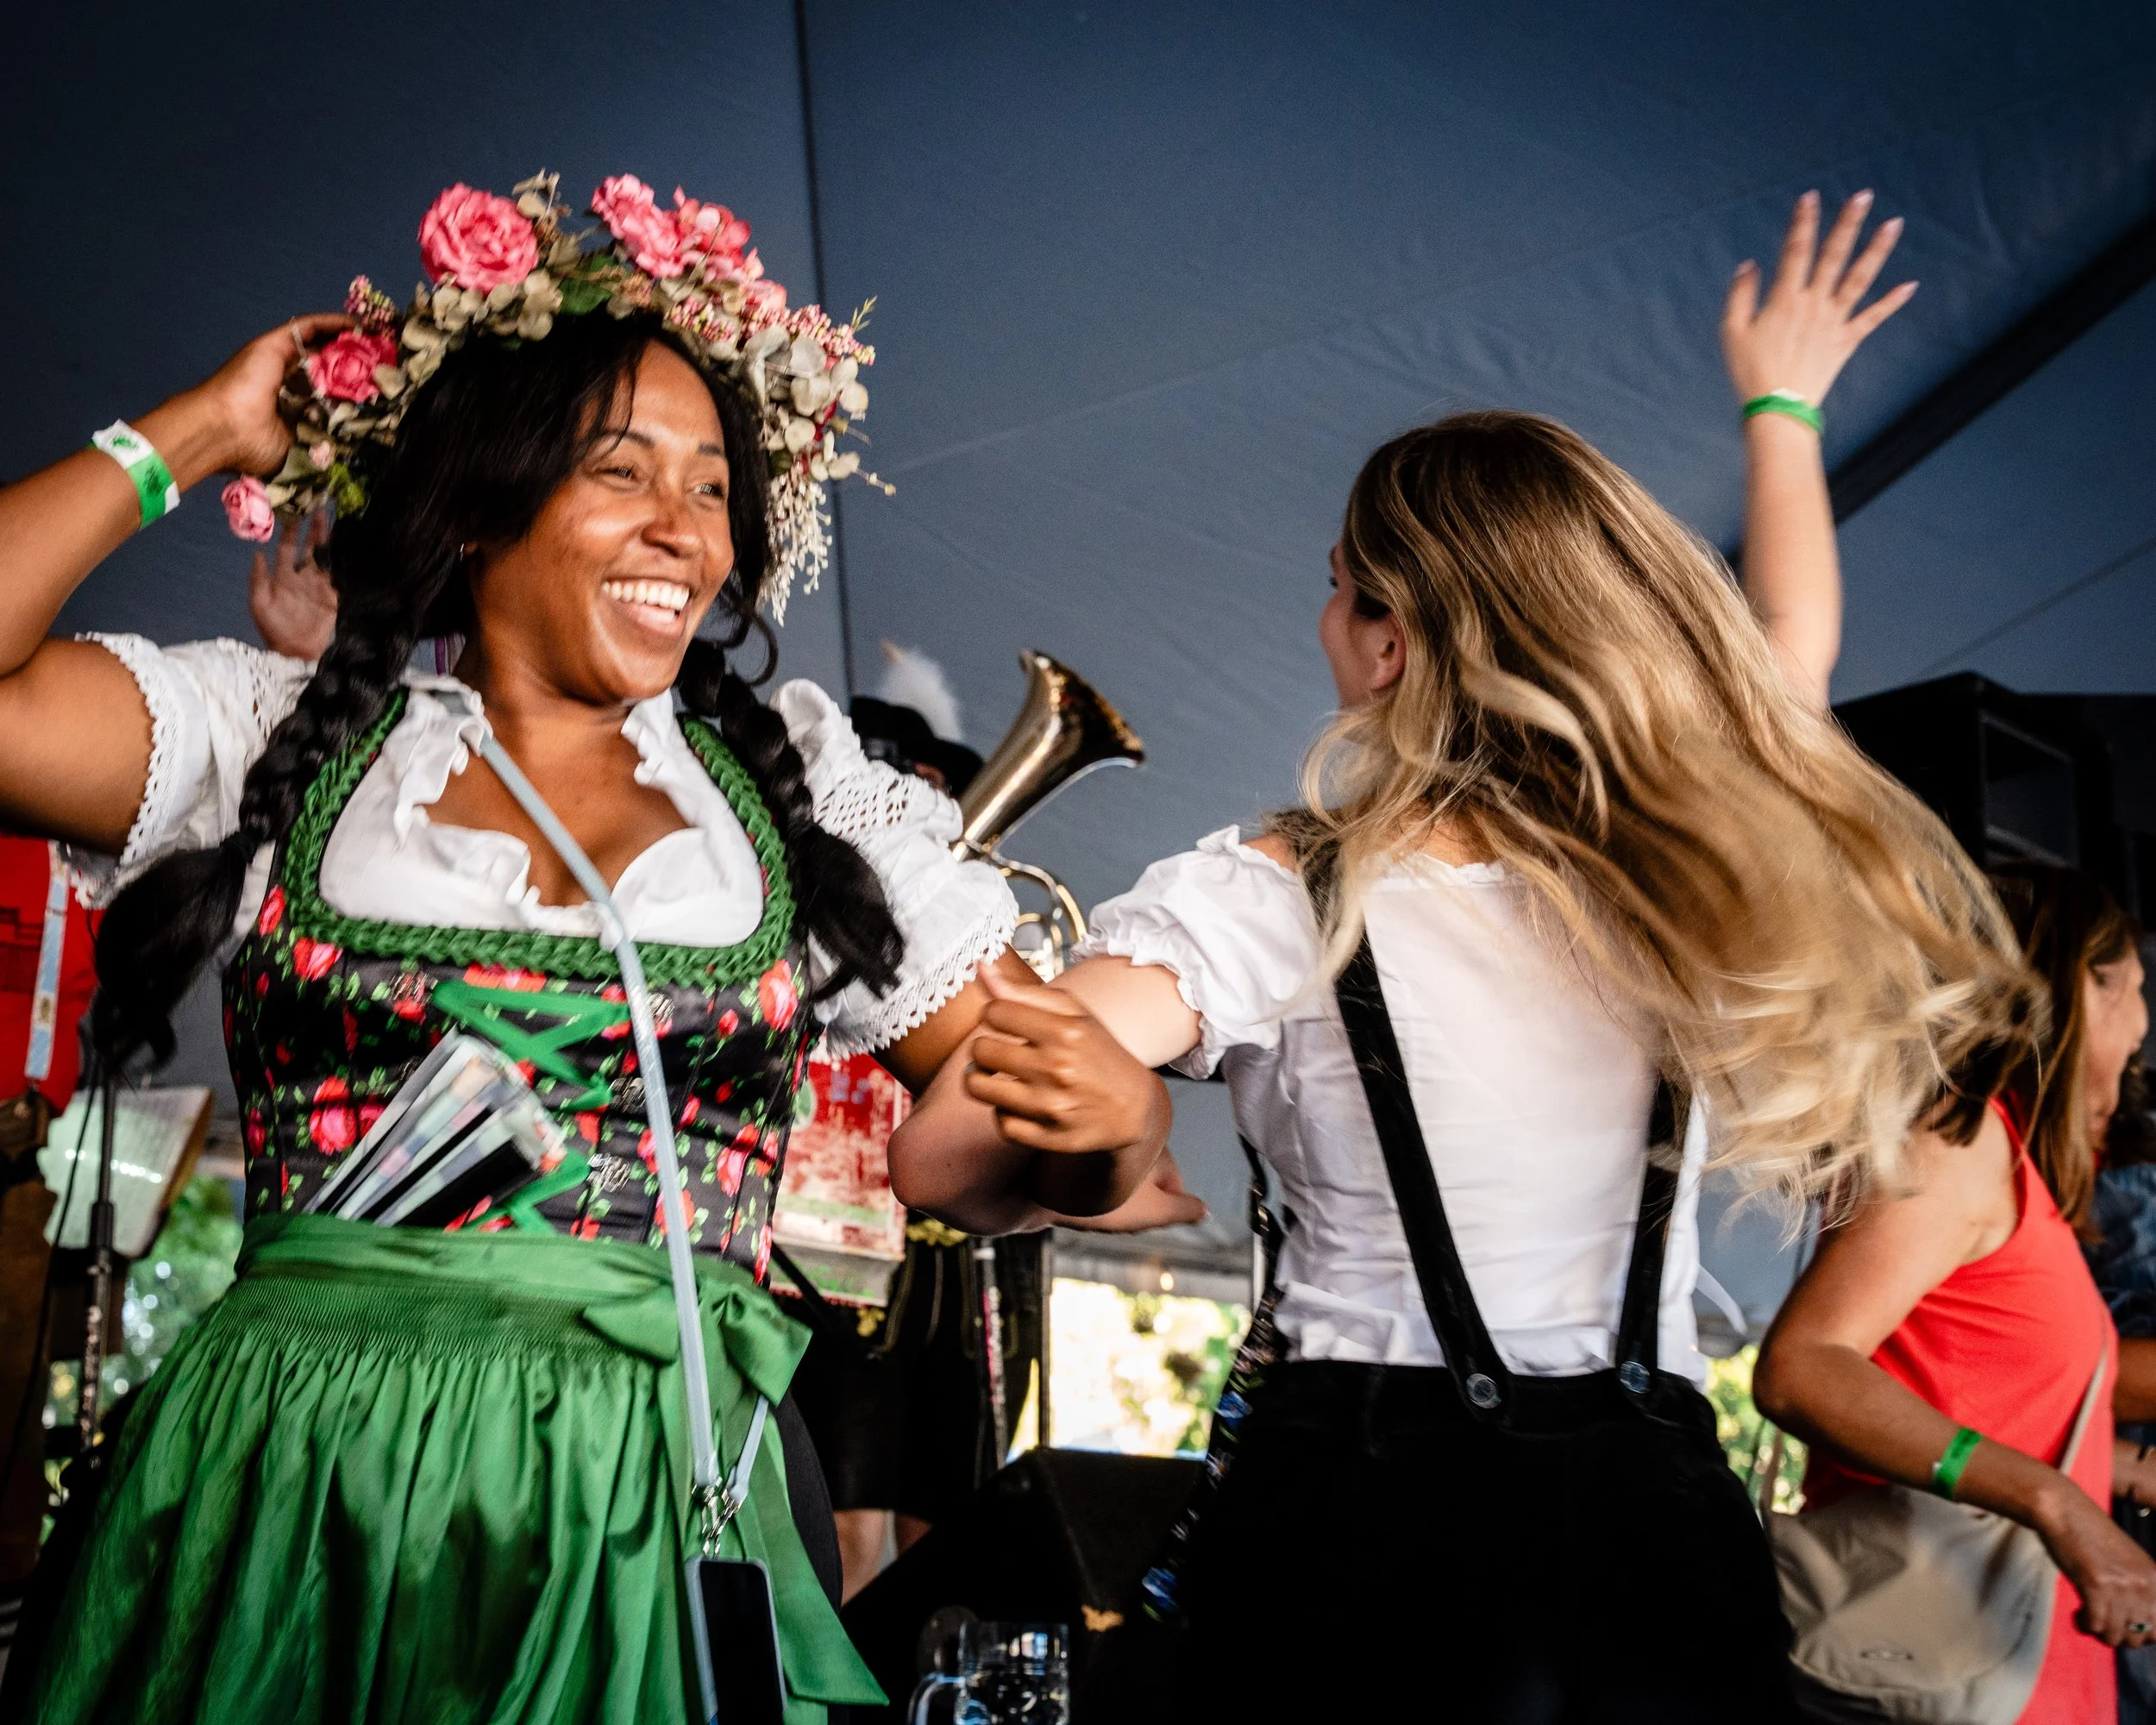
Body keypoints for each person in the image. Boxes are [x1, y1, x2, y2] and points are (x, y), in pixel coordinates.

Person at [0, 172, 1173, 1724]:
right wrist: (201, 430)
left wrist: (1113, 1129)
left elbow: (995, 1130)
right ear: (482, 496)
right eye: (622, 471)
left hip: (648, 1500)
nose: (682, 531)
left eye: (708, 485)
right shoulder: (277, 734)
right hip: (288, 1482)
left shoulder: (796, 794)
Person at [891, 191, 2023, 1719]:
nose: (1321, 620)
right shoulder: (1693, 880)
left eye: (1339, 584)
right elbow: (1792, 655)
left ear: (1392, 640)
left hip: (1364, 1523)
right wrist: (1783, 404)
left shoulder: (1284, 886)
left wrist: (1099, 1119)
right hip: (1655, 1526)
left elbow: (944, 1153)